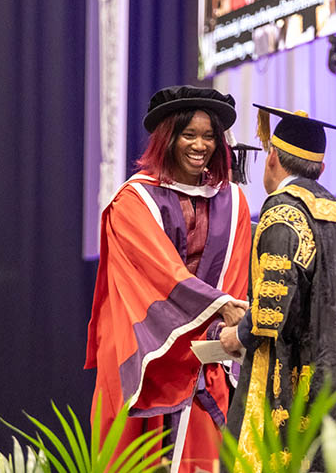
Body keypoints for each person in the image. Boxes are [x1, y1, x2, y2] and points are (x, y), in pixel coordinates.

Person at [84, 85, 252, 473]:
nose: (201, 145)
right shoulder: (132, 201)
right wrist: (220, 307)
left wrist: (230, 326)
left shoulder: (233, 201)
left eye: (209, 136)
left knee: (201, 453)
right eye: (189, 134)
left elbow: (236, 275)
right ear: (168, 138)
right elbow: (161, 273)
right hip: (143, 345)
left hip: (205, 350)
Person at [220, 104, 336, 471]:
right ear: (321, 169)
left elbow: (273, 312)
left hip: (299, 388)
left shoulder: (283, 211)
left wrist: (235, 335)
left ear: (272, 157)